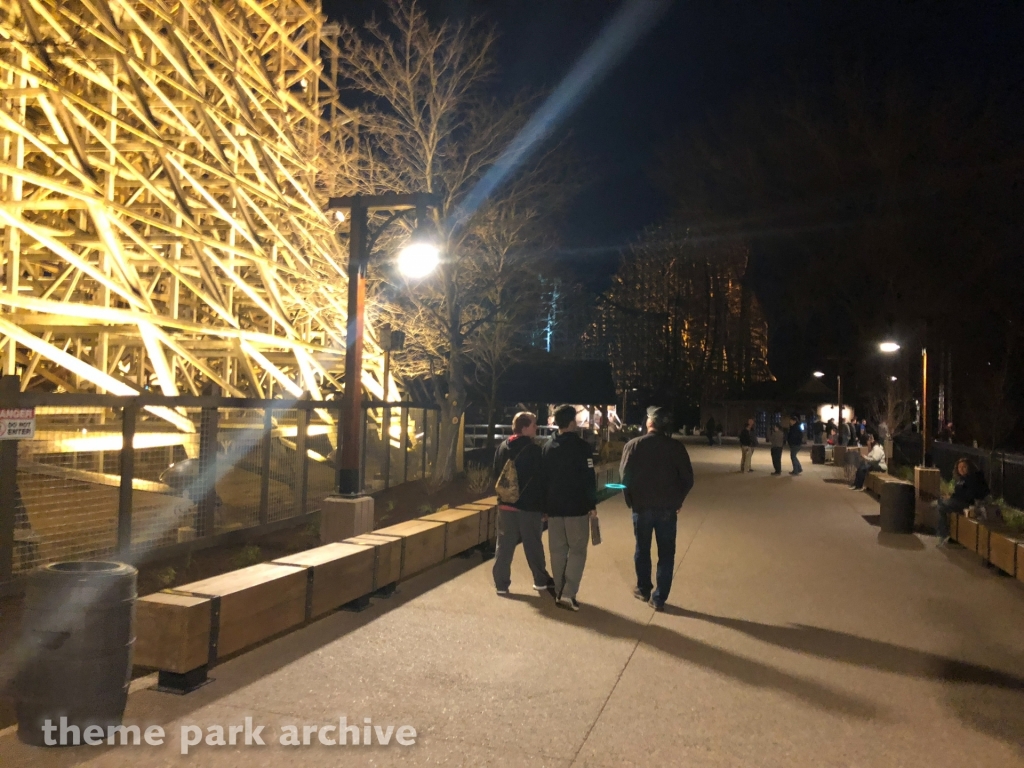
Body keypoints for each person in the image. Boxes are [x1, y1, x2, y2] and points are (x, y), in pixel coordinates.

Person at [620, 406, 694, 611]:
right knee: (666, 553)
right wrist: (677, 500)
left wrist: (631, 500)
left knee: (642, 549)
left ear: (649, 422)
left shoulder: (634, 445)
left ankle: (643, 588)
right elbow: (688, 478)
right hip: (667, 509)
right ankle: (660, 597)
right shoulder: (676, 447)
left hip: (642, 507)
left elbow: (624, 477)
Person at [541, 404, 598, 611]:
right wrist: (592, 505)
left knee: (557, 550)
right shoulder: (582, 447)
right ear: (572, 422)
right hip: (577, 507)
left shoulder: (547, 447)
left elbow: (543, 480)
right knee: (577, 551)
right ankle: (568, 593)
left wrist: (544, 507)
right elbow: (589, 479)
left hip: (554, 508)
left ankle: (558, 590)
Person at [492, 412, 554, 596]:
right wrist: (544, 507)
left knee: (504, 545)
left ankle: (501, 584)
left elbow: (496, 474)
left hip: (505, 505)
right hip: (529, 507)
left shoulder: (502, 447)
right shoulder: (534, 450)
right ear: (525, 427)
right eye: (534, 425)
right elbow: (542, 481)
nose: (536, 428)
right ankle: (539, 580)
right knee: (533, 544)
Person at [936, 458, 990, 546]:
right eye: (959, 467)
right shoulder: (963, 479)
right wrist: (951, 497)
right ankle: (945, 533)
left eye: (964, 467)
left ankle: (943, 533)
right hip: (961, 502)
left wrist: (953, 498)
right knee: (940, 503)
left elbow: (969, 495)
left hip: (970, 505)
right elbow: (959, 493)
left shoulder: (973, 478)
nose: (961, 469)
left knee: (941, 506)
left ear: (969, 467)